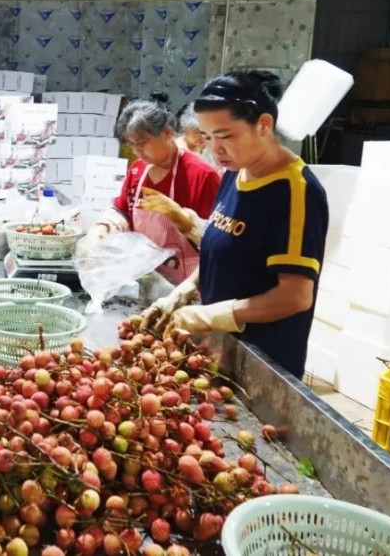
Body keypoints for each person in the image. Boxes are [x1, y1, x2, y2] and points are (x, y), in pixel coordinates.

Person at [141, 70, 328, 380]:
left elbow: (295, 296)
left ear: (264, 125)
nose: (215, 149)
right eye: (208, 137)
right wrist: (185, 290)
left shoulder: (295, 191)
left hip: (263, 361)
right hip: (220, 351)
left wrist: (213, 315)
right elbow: (223, 248)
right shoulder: (235, 173)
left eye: (225, 136)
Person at [81, 98, 221, 285]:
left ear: (167, 133)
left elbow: (215, 240)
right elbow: (122, 211)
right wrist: (102, 227)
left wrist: (182, 219)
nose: (137, 151)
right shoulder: (137, 170)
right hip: (143, 278)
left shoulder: (202, 175)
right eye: (131, 144)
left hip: (187, 285)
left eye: (142, 142)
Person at [175, 102, 218, 169]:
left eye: (206, 131)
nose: (202, 137)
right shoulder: (176, 151)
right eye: (197, 132)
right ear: (185, 129)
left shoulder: (211, 144)